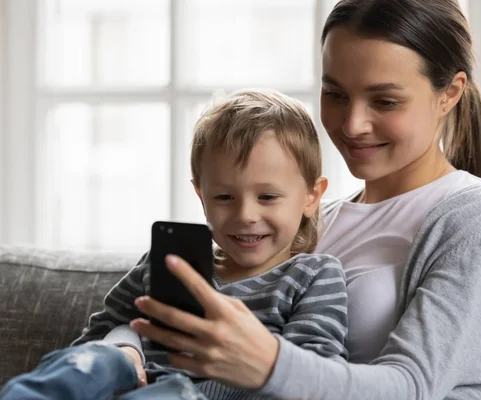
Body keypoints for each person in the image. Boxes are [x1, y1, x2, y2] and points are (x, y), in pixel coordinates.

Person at [126, 1, 481, 399]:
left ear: (449, 93)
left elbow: (412, 386)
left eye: (385, 101)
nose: (352, 125)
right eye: (335, 94)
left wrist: (268, 364)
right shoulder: (308, 219)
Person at [0, 90, 349, 400]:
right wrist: (125, 350)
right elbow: (95, 337)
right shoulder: (166, 262)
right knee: (100, 358)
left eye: (268, 196)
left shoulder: (312, 275)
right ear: (201, 195)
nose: (245, 214)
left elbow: (313, 378)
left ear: (311, 196)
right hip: (131, 385)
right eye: (224, 196)